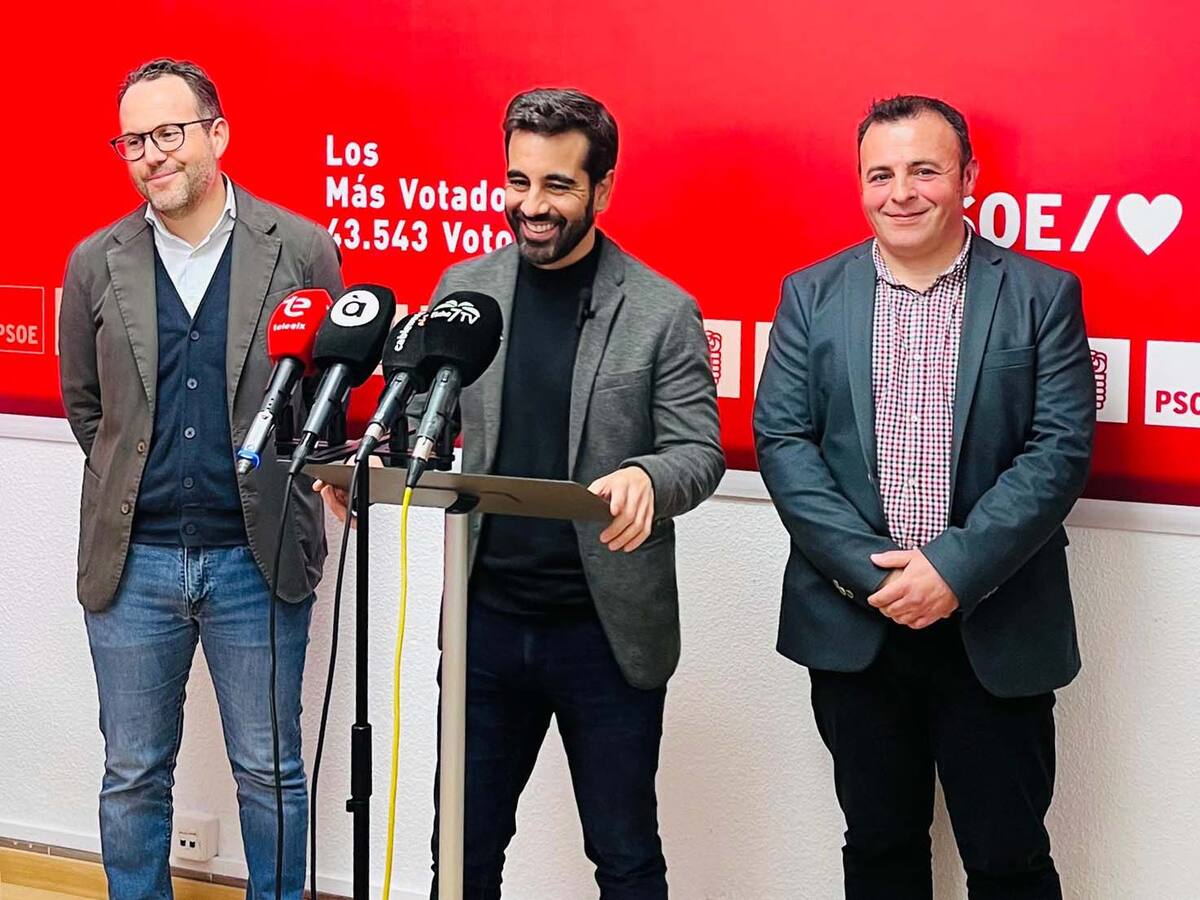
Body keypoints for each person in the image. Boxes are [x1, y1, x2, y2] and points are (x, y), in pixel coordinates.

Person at [322, 87, 724, 899]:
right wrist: (371, 468)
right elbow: (423, 417)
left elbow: (699, 452)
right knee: (461, 853)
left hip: (604, 633)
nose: (531, 206)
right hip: (485, 623)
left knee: (625, 857)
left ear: (602, 190)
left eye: (557, 186)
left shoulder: (660, 311)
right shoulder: (465, 291)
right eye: (518, 181)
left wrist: (648, 476)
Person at [754, 95, 1095, 898]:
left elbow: (1058, 450)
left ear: (967, 178)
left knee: (1009, 861)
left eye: (924, 170)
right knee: (880, 852)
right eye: (880, 174)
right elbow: (785, 443)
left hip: (994, 625)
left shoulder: (1042, 294)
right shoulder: (810, 294)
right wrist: (874, 575)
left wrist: (951, 571)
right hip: (857, 626)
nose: (900, 192)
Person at [58, 57, 342, 899]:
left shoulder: (300, 249)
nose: (152, 154)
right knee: (132, 773)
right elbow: (88, 408)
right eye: (132, 140)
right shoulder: (94, 262)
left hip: (258, 560)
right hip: (133, 566)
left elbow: (328, 394)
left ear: (217, 134)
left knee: (271, 771)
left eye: (169, 132)